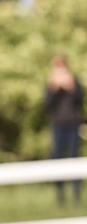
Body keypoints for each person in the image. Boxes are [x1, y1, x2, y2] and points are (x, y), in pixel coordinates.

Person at [44, 54, 84, 203]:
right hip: (57, 125)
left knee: (74, 157)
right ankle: (60, 195)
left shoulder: (73, 81)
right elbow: (46, 104)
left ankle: (76, 194)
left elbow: (80, 99)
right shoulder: (50, 83)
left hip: (72, 124)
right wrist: (54, 88)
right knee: (57, 158)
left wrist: (71, 86)